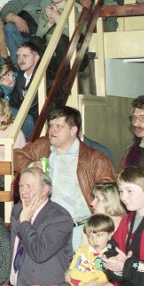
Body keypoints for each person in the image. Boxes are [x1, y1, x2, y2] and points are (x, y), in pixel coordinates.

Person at [13, 106, 116, 249]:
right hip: (44, 227)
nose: (52, 130)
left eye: (59, 126)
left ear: (73, 130)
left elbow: (110, 197)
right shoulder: (42, 146)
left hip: (78, 231)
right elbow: (16, 154)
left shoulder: (95, 159)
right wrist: (30, 165)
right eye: (51, 126)